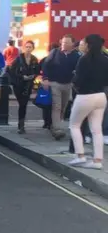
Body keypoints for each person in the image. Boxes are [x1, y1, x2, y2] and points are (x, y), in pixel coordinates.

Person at [68, 34, 108, 170]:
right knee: (97, 130)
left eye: (83, 43)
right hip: (101, 96)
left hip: (85, 96)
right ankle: (97, 160)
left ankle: (80, 156)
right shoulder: (105, 59)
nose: (81, 44)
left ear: (89, 45)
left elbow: (77, 80)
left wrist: (75, 84)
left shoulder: (83, 59)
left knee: (74, 125)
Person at [42, 34, 80, 140]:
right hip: (55, 83)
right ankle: (57, 129)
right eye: (62, 42)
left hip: (67, 84)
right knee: (56, 106)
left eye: (67, 43)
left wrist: (74, 80)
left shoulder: (76, 55)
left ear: (72, 44)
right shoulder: (55, 52)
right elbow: (45, 65)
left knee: (63, 107)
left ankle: (55, 125)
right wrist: (45, 78)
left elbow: (78, 69)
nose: (64, 44)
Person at [8, 40, 40, 134]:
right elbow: (12, 71)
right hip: (18, 84)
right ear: (24, 48)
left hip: (28, 85)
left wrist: (32, 76)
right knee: (21, 103)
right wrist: (22, 76)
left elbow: (37, 70)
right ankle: (20, 125)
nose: (28, 49)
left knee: (23, 104)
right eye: (27, 47)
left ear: (33, 48)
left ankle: (21, 125)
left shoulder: (34, 59)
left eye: (30, 47)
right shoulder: (19, 58)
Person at [39, 42, 60, 129]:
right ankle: (51, 122)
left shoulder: (45, 59)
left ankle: (46, 122)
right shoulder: (59, 60)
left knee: (45, 103)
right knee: (54, 105)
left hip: (46, 84)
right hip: (56, 83)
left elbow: (39, 69)